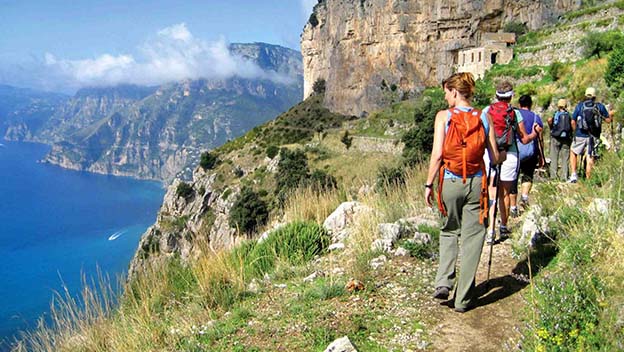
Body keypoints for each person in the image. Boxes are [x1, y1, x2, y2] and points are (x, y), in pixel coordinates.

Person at [425, 72, 501, 313]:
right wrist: (505, 156)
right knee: (473, 239)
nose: (446, 97)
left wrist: (428, 184)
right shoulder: (484, 117)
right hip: (477, 184)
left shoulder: (443, 117)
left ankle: (443, 282)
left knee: (448, 230)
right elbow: (494, 155)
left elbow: (437, 155)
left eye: (447, 92)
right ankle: (464, 299)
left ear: (455, 92)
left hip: (451, 181)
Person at [484, 81, 542, 243]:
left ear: (496, 96)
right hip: (510, 155)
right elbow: (524, 139)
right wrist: (534, 134)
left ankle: (490, 230)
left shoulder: (487, 111)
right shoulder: (515, 114)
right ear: (510, 97)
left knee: (492, 192)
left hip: (491, 154)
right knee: (505, 192)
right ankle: (503, 226)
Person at [568, 87, 613, 182]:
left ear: (585, 95)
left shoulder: (580, 106)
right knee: (590, 156)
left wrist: (575, 132)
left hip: (580, 134)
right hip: (594, 136)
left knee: (573, 151)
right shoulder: (599, 106)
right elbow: (608, 120)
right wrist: (610, 115)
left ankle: (574, 174)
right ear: (594, 96)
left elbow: (573, 121)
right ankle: (588, 180)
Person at [509, 95, 544, 215]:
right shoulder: (536, 117)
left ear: (519, 104)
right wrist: (541, 156)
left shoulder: (514, 115)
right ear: (530, 104)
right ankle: (524, 197)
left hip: (515, 152)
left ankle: (513, 207)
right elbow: (540, 138)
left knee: (513, 178)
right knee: (527, 175)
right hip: (531, 152)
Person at [548, 99, 573, 181]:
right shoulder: (568, 115)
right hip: (566, 138)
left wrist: (551, 129)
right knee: (565, 158)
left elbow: (549, 121)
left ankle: (553, 176)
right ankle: (564, 177)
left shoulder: (556, 114)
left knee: (554, 157)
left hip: (555, 137)